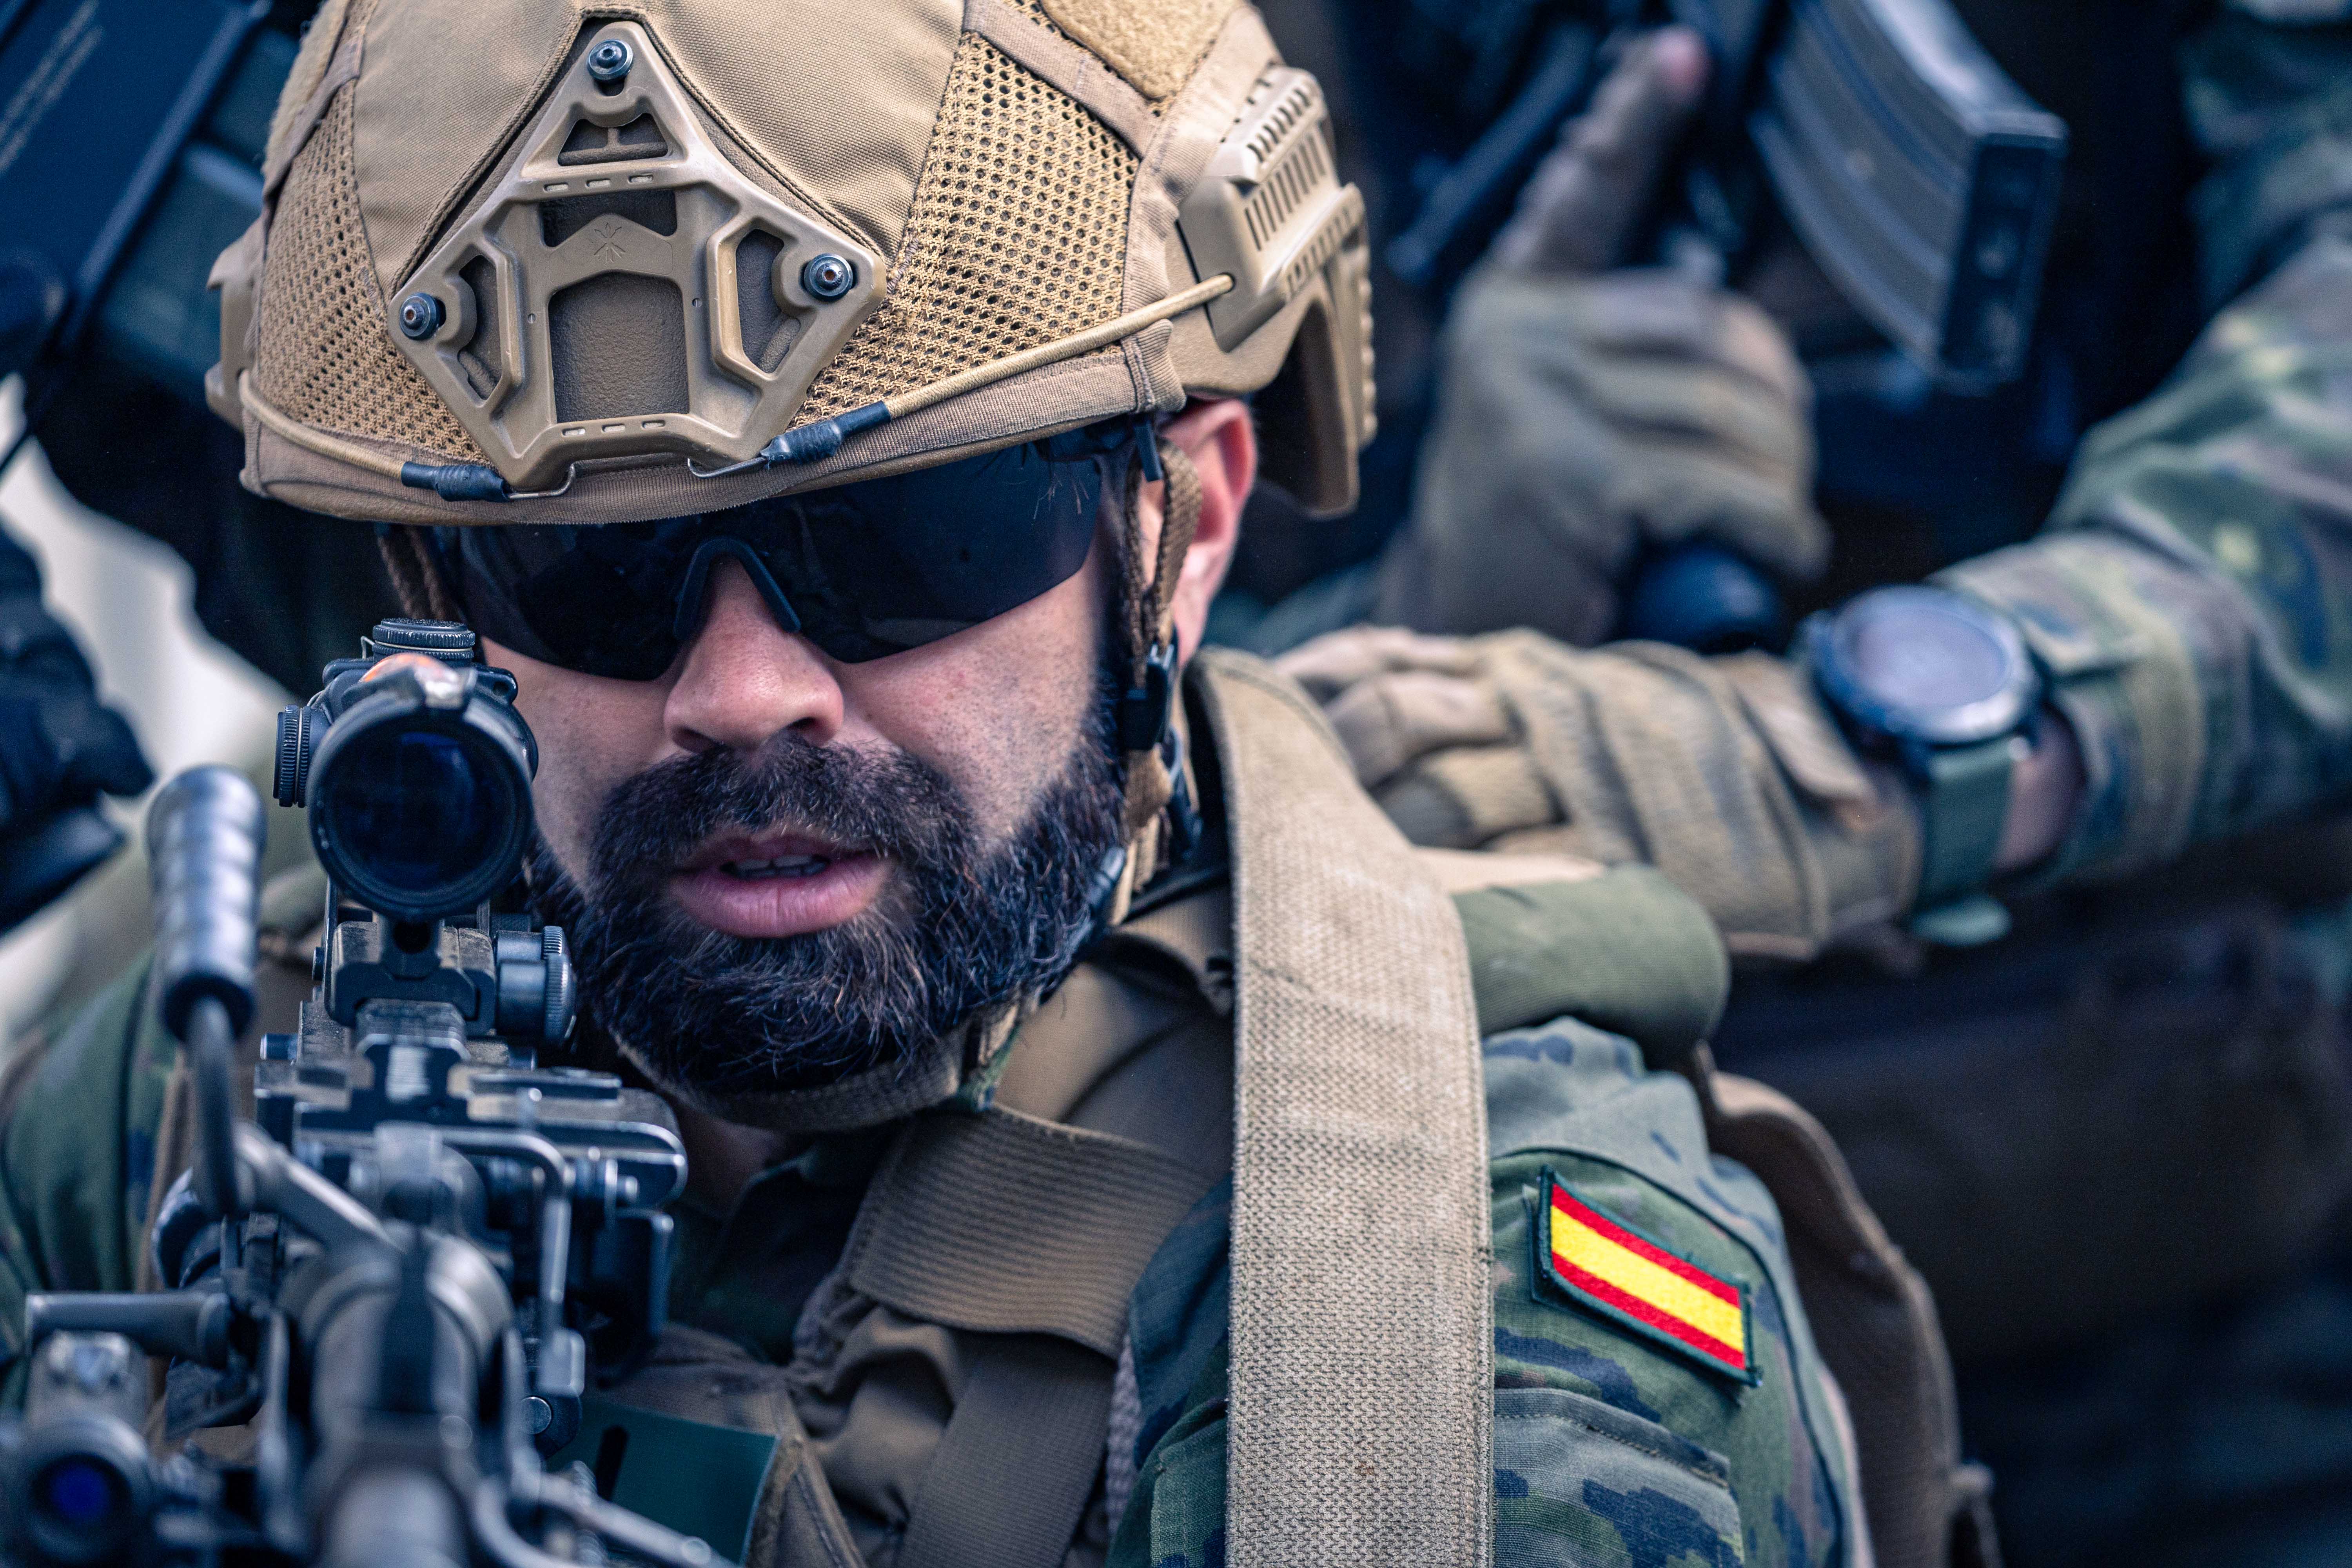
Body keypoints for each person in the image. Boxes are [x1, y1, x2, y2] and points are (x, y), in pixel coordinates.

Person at [0, 1, 1989, 1564]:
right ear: (440, 602)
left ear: (1182, 534)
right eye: (589, 573)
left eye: (909, 545)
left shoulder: (1456, 1314)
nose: (744, 693)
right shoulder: (199, 1084)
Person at [1265, 7, 2352, 1564]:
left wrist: (1901, 745)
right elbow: (996, 688)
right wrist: (1427, 592)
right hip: (1520, 1302)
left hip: (2227, 1250)